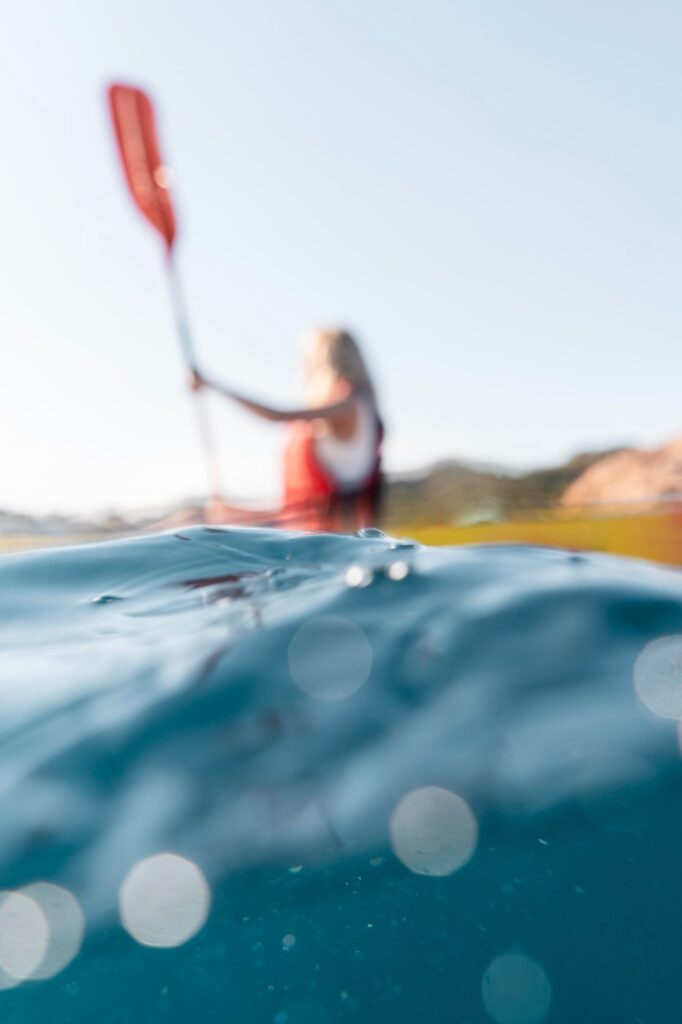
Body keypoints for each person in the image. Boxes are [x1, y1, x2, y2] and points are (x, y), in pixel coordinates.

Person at [191, 327, 384, 532]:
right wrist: (237, 511)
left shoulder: (348, 405)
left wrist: (211, 385)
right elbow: (299, 504)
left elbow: (276, 415)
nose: (302, 366)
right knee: (197, 517)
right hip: (309, 531)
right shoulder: (358, 406)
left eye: (307, 359)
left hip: (327, 537)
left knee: (191, 522)